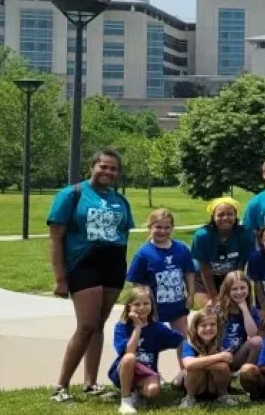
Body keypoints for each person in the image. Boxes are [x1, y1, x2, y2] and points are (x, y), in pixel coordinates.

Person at [48, 149, 135, 403]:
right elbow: (56, 237)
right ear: (92, 167)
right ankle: (61, 386)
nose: (108, 172)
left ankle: (90, 383)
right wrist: (61, 278)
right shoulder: (72, 194)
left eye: (113, 169)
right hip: (83, 263)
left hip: (113, 263)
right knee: (86, 325)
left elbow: (124, 234)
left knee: (98, 324)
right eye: (104, 167)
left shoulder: (121, 200)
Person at [109, 286, 182, 414]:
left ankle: (136, 392)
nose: (142, 307)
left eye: (146, 303)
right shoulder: (122, 327)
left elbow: (181, 339)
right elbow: (128, 351)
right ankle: (126, 400)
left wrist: (185, 367)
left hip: (147, 371)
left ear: (152, 305)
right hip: (124, 369)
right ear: (128, 307)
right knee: (130, 357)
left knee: (154, 390)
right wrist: (138, 327)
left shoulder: (158, 328)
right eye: (137, 304)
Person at [127, 208, 196, 335]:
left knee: (182, 337)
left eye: (167, 227)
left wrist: (191, 295)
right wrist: (141, 305)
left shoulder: (181, 249)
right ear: (150, 227)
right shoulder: (143, 253)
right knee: (150, 340)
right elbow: (137, 284)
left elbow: (189, 273)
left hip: (177, 304)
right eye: (158, 227)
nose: (163, 231)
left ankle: (185, 356)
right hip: (152, 308)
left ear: (172, 228)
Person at [192, 197, 253, 307]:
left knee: (233, 308)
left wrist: (235, 289)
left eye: (230, 214)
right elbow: (204, 268)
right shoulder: (202, 236)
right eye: (220, 215)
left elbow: (240, 266)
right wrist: (214, 297)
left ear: (235, 216)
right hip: (205, 277)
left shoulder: (244, 235)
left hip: (231, 276)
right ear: (213, 217)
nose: (225, 218)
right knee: (210, 310)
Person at [179, 310, 239, 407]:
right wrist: (219, 356)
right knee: (194, 367)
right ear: (195, 327)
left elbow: (228, 358)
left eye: (212, 324)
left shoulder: (223, 340)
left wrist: (201, 360)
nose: (208, 328)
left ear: (217, 326)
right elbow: (189, 364)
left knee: (222, 366)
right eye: (203, 325)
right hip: (198, 386)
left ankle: (223, 395)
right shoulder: (189, 342)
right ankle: (190, 397)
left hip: (214, 386)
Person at [212, 271, 264, 371]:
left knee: (258, 341)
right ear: (227, 291)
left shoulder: (251, 310)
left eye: (243, 288)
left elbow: (252, 334)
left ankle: (244, 372)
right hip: (220, 355)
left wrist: (245, 309)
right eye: (234, 289)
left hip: (238, 354)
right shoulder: (219, 310)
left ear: (248, 289)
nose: (239, 292)